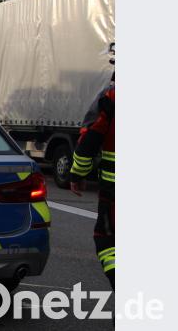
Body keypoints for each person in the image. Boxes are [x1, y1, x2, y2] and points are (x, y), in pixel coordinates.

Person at [70, 44, 115, 289]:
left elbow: (89, 140)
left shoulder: (111, 98)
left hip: (115, 194)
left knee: (108, 242)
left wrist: (77, 174)